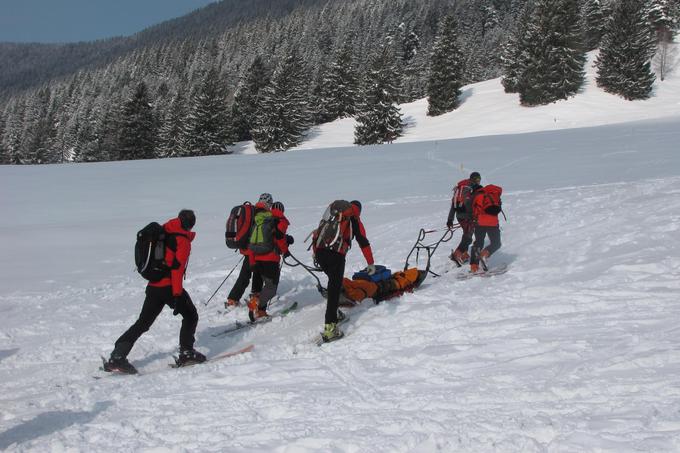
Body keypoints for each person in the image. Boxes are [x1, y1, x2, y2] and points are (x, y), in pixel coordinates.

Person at [104, 209, 205, 374]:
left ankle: (117, 355)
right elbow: (177, 270)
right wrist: (177, 295)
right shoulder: (182, 240)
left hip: (153, 286)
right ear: (191, 224)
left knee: (143, 323)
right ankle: (187, 353)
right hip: (169, 287)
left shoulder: (164, 230)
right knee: (191, 315)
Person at [313, 200, 375, 342]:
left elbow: (318, 234)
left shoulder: (333, 216)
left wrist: (316, 254)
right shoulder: (353, 219)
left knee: (334, 283)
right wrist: (370, 263)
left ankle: (334, 312)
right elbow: (363, 241)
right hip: (335, 255)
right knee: (334, 288)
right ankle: (330, 329)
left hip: (321, 253)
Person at [224, 193, 273, 308]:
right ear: (269, 203)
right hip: (257, 250)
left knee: (245, 275)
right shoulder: (265, 214)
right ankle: (255, 297)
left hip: (247, 248)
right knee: (258, 273)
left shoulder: (251, 211)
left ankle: (233, 299)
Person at [247, 200, 292, 321]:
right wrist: (285, 251)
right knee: (271, 288)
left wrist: (252, 261)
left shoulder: (259, 220)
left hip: (256, 259)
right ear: (282, 210)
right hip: (270, 259)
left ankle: (260, 311)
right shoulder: (279, 220)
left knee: (260, 286)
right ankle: (256, 304)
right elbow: (279, 238)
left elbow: (251, 244)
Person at [447, 172, 482, 266]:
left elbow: (453, 205)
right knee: (468, 236)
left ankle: (464, 254)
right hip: (468, 217)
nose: (478, 181)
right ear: (473, 179)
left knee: (466, 234)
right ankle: (457, 254)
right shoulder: (472, 188)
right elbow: (473, 204)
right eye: (477, 179)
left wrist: (450, 220)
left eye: (479, 179)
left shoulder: (460, 188)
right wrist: (474, 216)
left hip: (459, 216)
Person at [469, 185, 502, 273]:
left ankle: (474, 266)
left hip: (480, 222)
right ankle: (484, 254)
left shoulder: (478, 196)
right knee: (496, 243)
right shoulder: (495, 196)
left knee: (478, 243)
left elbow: (473, 209)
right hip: (493, 222)